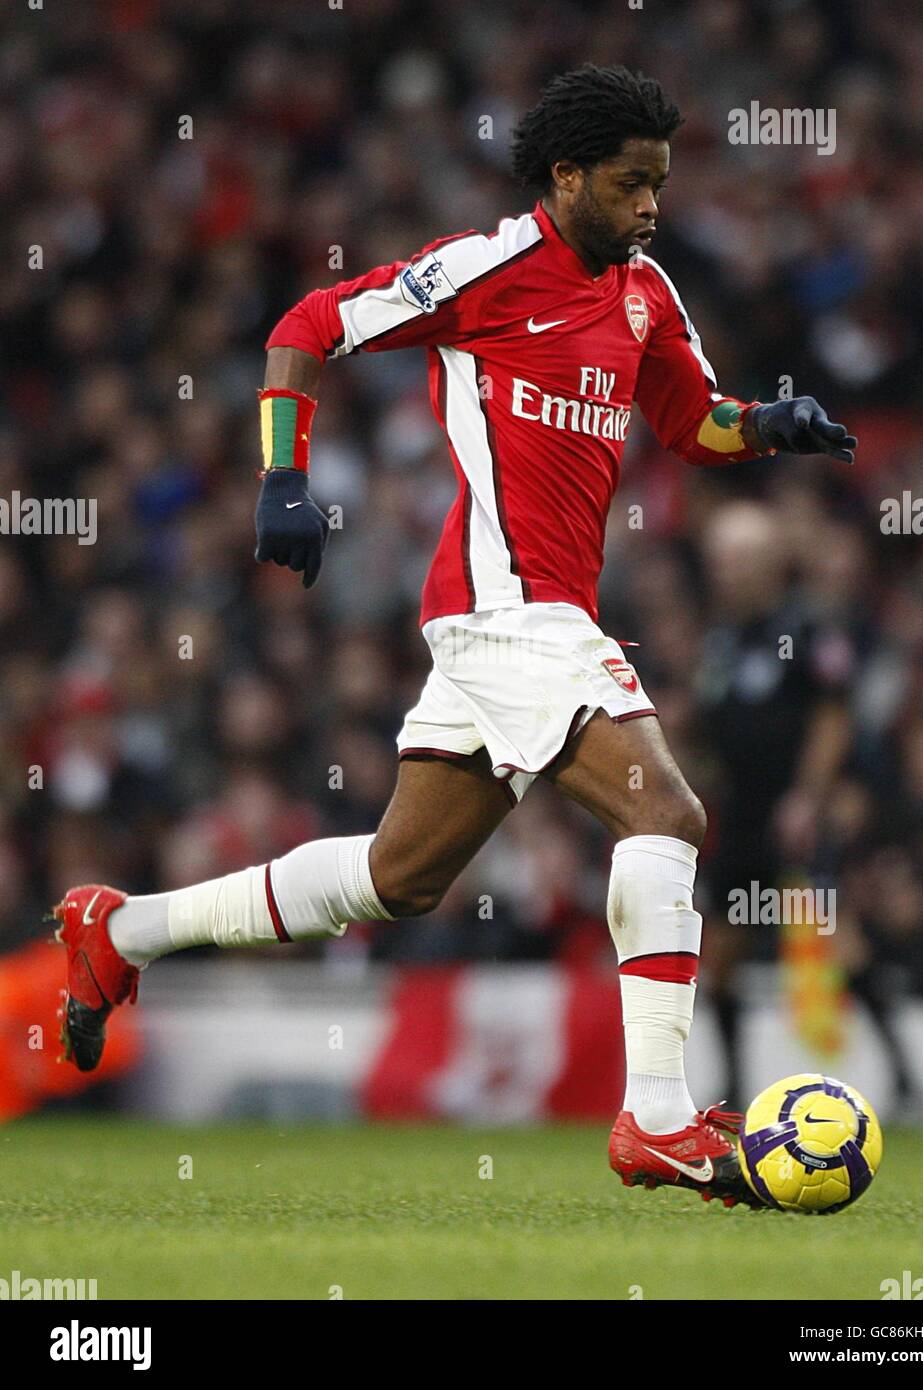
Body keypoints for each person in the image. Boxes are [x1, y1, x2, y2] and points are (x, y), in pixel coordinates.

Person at [52, 64, 855, 1208]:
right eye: (629, 184)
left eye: (660, 185)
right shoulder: (483, 270)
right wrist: (282, 477)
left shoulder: (642, 291)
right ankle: (660, 1119)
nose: (648, 207)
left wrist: (768, 424)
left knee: (398, 876)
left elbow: (692, 423)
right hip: (504, 605)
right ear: (566, 175)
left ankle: (118, 931)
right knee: (667, 810)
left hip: (528, 615)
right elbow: (307, 324)